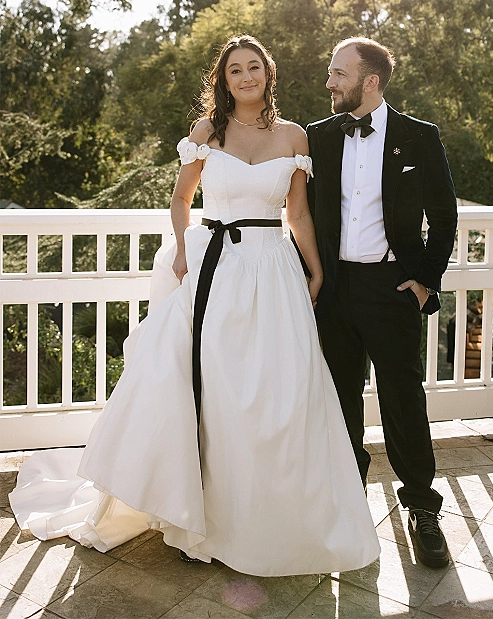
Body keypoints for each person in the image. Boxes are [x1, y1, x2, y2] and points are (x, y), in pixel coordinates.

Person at [10, 35, 379, 577]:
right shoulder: (207, 132)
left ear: (268, 75)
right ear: (224, 81)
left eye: (255, 67)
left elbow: (297, 214)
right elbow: (182, 199)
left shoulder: (294, 136)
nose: (247, 77)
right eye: (236, 70)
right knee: (214, 387)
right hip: (216, 268)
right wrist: (184, 252)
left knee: (279, 392)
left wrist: (316, 266)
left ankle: (270, 517)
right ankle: (200, 514)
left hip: (273, 271)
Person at [306, 37, 458, 568]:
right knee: (339, 401)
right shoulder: (317, 138)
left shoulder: (419, 137)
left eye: (337, 73)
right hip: (333, 290)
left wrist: (424, 280)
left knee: (402, 400)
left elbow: (444, 217)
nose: (329, 82)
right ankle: (347, 505)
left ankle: (422, 507)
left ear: (369, 81)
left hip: (392, 290)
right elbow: (300, 213)